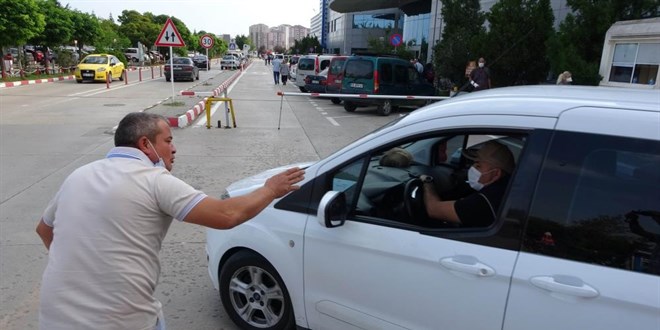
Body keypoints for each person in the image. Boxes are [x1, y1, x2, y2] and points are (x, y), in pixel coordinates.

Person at [35, 112, 305, 330]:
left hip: (54, 315)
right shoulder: (153, 180)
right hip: (119, 320)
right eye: (168, 140)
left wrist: (78, 265)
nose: (173, 149)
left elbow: (44, 229)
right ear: (145, 144)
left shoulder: (80, 174)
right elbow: (226, 215)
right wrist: (271, 189)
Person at [420, 140, 514, 227]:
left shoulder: (485, 201)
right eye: (473, 163)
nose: (472, 168)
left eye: (478, 165)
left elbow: (433, 209)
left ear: (496, 173)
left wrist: (427, 182)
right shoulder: (507, 188)